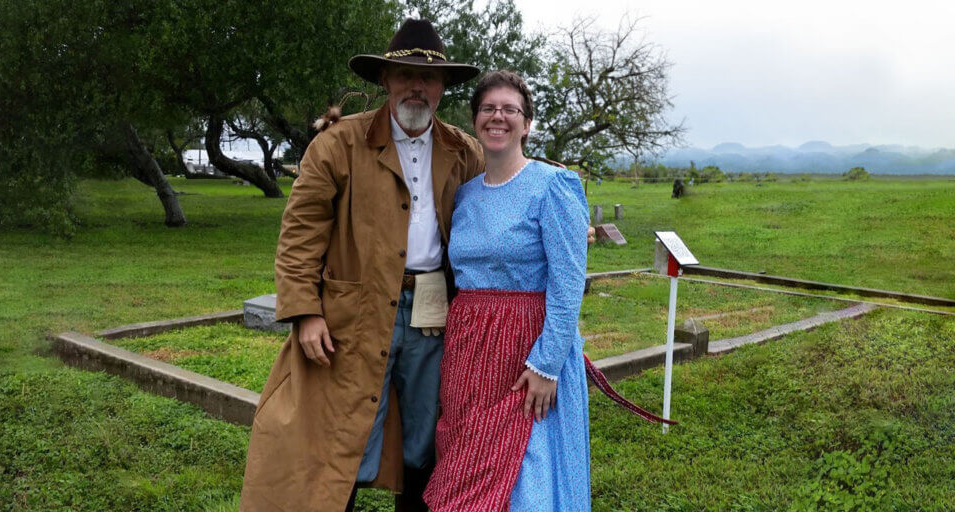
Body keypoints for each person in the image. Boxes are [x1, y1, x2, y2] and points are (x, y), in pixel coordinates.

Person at [238, 19, 483, 512]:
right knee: (340, 436)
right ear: (385, 80)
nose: (417, 86)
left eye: (429, 78)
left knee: (425, 436)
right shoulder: (338, 144)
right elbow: (301, 233)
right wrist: (305, 312)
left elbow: (504, 194)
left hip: (434, 316)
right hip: (352, 315)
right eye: (405, 74)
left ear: (442, 88)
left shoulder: (462, 150)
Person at [423, 71, 673, 512]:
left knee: (527, 479)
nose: (498, 117)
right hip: (469, 355)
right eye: (488, 108)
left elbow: (568, 282)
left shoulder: (552, 186)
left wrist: (546, 364)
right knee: (466, 473)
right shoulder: (464, 196)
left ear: (527, 123)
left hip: (528, 350)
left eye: (510, 110)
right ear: (475, 118)